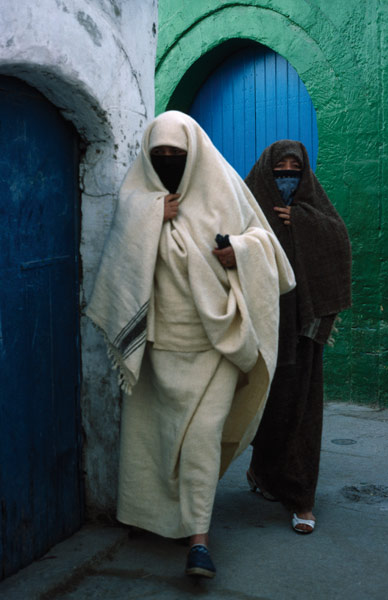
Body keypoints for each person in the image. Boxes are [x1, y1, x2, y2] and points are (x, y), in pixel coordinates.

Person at [86, 112, 295, 578]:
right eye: (159, 157)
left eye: (176, 157)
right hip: (159, 346)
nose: (167, 164)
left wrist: (237, 251)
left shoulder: (223, 186)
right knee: (153, 441)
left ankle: (198, 540)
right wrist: (149, 216)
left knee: (200, 442)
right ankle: (155, 518)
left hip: (216, 344)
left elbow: (267, 247)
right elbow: (121, 257)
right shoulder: (138, 199)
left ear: (194, 154)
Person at [245, 140, 352, 534]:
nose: (287, 173)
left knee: (303, 410)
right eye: (280, 167)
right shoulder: (248, 201)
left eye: (295, 167)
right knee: (266, 407)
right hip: (261, 326)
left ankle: (301, 497)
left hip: (304, 328)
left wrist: (301, 221)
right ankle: (261, 470)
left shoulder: (312, 207)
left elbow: (339, 241)